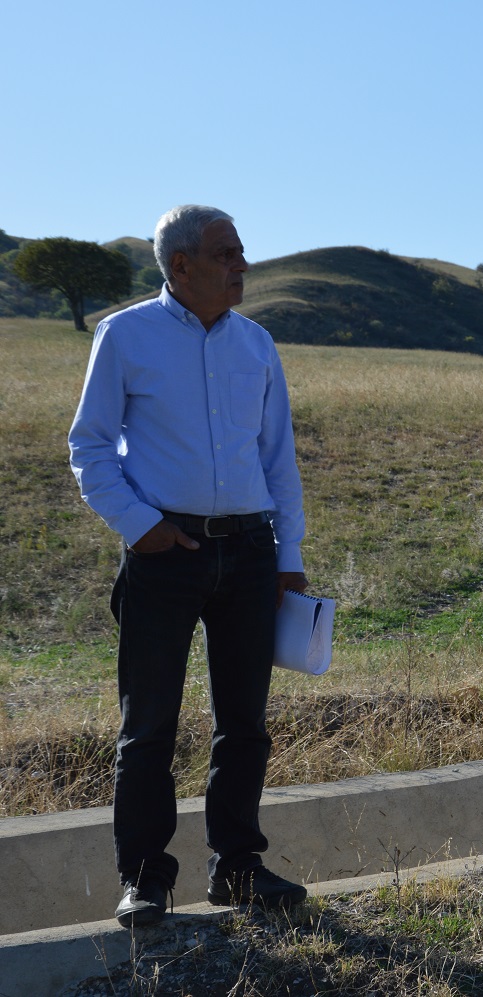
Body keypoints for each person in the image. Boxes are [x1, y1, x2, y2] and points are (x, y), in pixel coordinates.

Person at [68, 205, 312, 927]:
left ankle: (238, 868)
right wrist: (141, 527)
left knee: (245, 722)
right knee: (148, 725)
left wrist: (288, 555)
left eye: (240, 252)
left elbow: (278, 457)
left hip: (250, 553)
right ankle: (144, 879)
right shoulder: (125, 335)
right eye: (226, 253)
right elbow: (89, 447)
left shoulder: (257, 343)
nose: (242, 266)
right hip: (164, 554)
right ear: (181, 265)